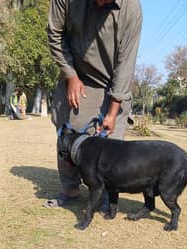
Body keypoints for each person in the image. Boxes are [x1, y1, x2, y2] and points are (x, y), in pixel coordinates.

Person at [44, 0, 142, 209]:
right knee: (68, 136)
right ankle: (70, 189)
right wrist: (70, 75)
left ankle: (105, 194)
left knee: (111, 146)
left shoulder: (131, 9)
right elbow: (55, 34)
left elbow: (126, 65)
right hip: (76, 74)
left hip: (112, 82)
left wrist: (112, 112)